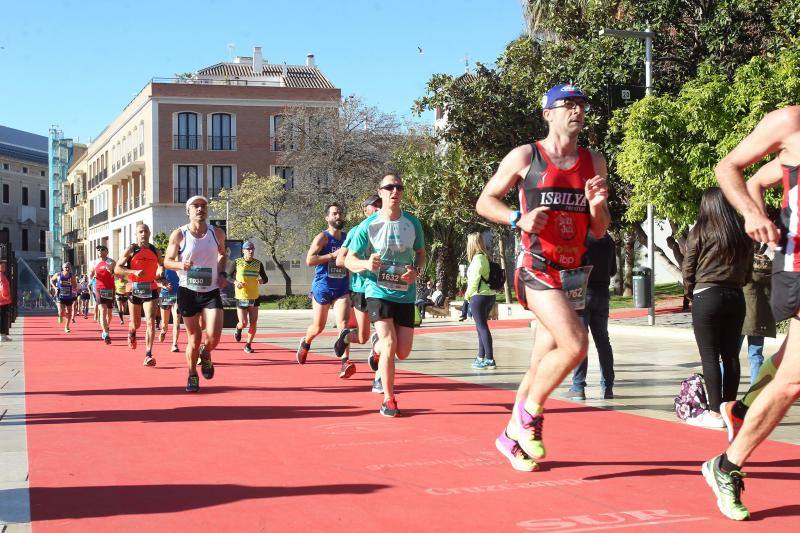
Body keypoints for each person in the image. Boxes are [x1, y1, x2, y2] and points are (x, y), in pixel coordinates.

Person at [475, 83, 609, 471]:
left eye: (581, 105)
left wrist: (598, 206)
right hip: (535, 267)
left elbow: (599, 229)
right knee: (576, 343)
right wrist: (519, 217)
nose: (576, 111)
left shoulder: (594, 162)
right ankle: (529, 416)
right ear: (547, 113)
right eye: (566, 104)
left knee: (540, 363)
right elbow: (485, 201)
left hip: (572, 275)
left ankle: (509, 437)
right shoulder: (526, 155)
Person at [702, 106, 800, 521]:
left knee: (788, 365)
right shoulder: (790, 122)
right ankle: (726, 465)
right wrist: (753, 213)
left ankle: (742, 411)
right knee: (794, 378)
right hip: (797, 264)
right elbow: (730, 168)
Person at [345, 174, 426, 417]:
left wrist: (417, 271)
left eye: (399, 187)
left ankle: (378, 347)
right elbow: (348, 259)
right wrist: (366, 264)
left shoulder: (413, 223)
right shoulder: (368, 225)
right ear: (380, 192)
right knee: (391, 344)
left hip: (405, 294)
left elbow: (421, 253)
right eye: (389, 187)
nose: (395, 191)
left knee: (402, 352)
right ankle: (388, 399)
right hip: (377, 291)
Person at [681, 187, 752, 429]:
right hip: (735, 295)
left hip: (707, 294)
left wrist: (690, 291)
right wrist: (739, 282)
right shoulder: (740, 231)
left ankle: (714, 413)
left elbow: (689, 265)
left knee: (709, 356)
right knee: (731, 355)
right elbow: (749, 266)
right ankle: (730, 408)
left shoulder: (699, 230)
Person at [164, 195, 228, 393]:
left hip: (210, 291)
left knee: (215, 336)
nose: (200, 209)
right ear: (188, 211)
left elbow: (223, 254)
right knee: (194, 337)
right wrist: (180, 264)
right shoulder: (179, 234)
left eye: (203, 206)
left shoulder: (217, 233)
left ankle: (206, 353)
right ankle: (192, 374)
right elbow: (167, 261)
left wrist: (222, 272)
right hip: (188, 291)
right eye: (196, 206)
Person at [296, 202, 356, 379]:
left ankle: (345, 363)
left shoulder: (347, 238)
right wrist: (331, 255)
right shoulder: (322, 238)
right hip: (322, 287)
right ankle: (306, 342)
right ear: (327, 218)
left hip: (342, 288)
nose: (338, 216)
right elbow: (309, 260)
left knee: (344, 325)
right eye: (334, 214)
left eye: (340, 213)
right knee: (318, 327)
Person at [337, 194, 383, 391]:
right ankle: (346, 336)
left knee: (386, 333)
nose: (379, 209)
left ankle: (380, 377)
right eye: (375, 206)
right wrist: (363, 264)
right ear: (365, 211)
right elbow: (340, 260)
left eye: (381, 205)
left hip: (382, 288)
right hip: (360, 288)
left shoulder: (388, 230)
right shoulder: (357, 231)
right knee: (362, 337)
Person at [568, 233, 617, 400]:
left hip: (580, 293)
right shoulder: (608, 239)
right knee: (603, 341)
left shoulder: (580, 238)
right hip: (602, 294)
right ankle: (608, 387)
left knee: (581, 342)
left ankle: (578, 386)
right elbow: (613, 270)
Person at [115, 223, 164, 367]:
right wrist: (133, 272)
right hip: (134, 288)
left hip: (151, 288)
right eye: (141, 232)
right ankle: (131, 331)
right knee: (136, 323)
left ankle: (148, 354)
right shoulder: (131, 250)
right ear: (136, 234)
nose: (144, 234)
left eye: (146, 231)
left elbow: (161, 264)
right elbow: (117, 269)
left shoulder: (155, 250)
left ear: (149, 234)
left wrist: (160, 272)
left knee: (150, 321)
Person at [739, 244, 776, 384]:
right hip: (760, 320)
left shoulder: (742, 268)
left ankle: (725, 393)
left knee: (729, 356)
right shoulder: (770, 268)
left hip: (740, 317)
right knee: (756, 356)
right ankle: (754, 396)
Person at [465, 232, 498, 369]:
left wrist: (467, 296)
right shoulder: (485, 257)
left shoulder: (477, 259)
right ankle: (481, 356)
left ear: (471, 243)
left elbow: (474, 281)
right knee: (481, 327)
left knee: (482, 328)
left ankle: (489, 359)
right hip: (489, 295)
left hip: (479, 296)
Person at [233, 240, 268, 353]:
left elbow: (265, 278)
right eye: (248, 249)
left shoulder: (258, 263)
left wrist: (262, 281)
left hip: (254, 297)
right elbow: (227, 275)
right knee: (243, 323)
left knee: (253, 323)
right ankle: (238, 329)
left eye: (252, 249)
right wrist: (236, 283)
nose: (251, 251)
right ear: (243, 251)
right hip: (242, 296)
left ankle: (248, 345)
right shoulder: (237, 262)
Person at [90, 244, 116, 344]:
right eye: (99, 250)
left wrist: (110, 269)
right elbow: (91, 273)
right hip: (99, 288)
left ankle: (106, 326)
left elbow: (113, 269)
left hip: (110, 289)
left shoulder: (111, 261)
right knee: (103, 310)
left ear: (107, 252)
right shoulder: (94, 263)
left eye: (102, 249)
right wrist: (91, 277)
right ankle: (105, 333)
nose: (100, 251)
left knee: (109, 314)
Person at [158, 262, 181, 353]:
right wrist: (163, 285)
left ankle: (174, 344)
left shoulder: (182, 264)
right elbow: (155, 280)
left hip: (179, 294)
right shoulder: (163, 265)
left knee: (177, 320)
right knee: (165, 323)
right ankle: (163, 330)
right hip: (166, 294)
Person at [51, 262, 77, 333]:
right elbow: (51, 280)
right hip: (60, 295)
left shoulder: (72, 276)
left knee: (69, 312)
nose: (67, 269)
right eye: (66, 267)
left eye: (68, 267)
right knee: (61, 312)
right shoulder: (58, 274)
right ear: (63, 268)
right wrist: (55, 287)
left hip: (69, 296)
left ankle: (67, 326)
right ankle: (60, 315)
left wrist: (73, 286)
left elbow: (75, 285)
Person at [0, 261, 12, 342]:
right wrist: (6, 296)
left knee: (3, 317)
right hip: (3, 301)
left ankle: (3, 335)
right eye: (2, 266)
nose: (4, 268)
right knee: (3, 318)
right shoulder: (1, 275)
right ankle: (2, 335)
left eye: (4, 266)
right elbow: (3, 287)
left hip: (2, 300)